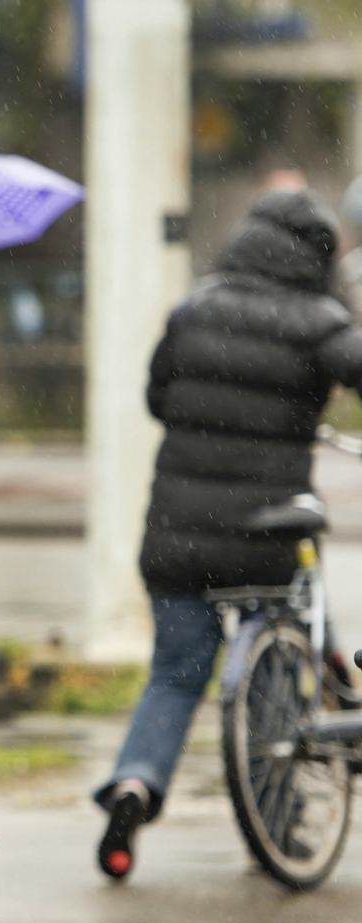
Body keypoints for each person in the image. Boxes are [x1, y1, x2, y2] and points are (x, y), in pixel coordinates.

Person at [95, 190, 362, 882]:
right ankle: (278, 815)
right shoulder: (317, 320)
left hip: (176, 537)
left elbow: (158, 398)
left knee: (175, 674)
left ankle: (135, 783)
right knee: (275, 659)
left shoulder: (195, 308)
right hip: (264, 533)